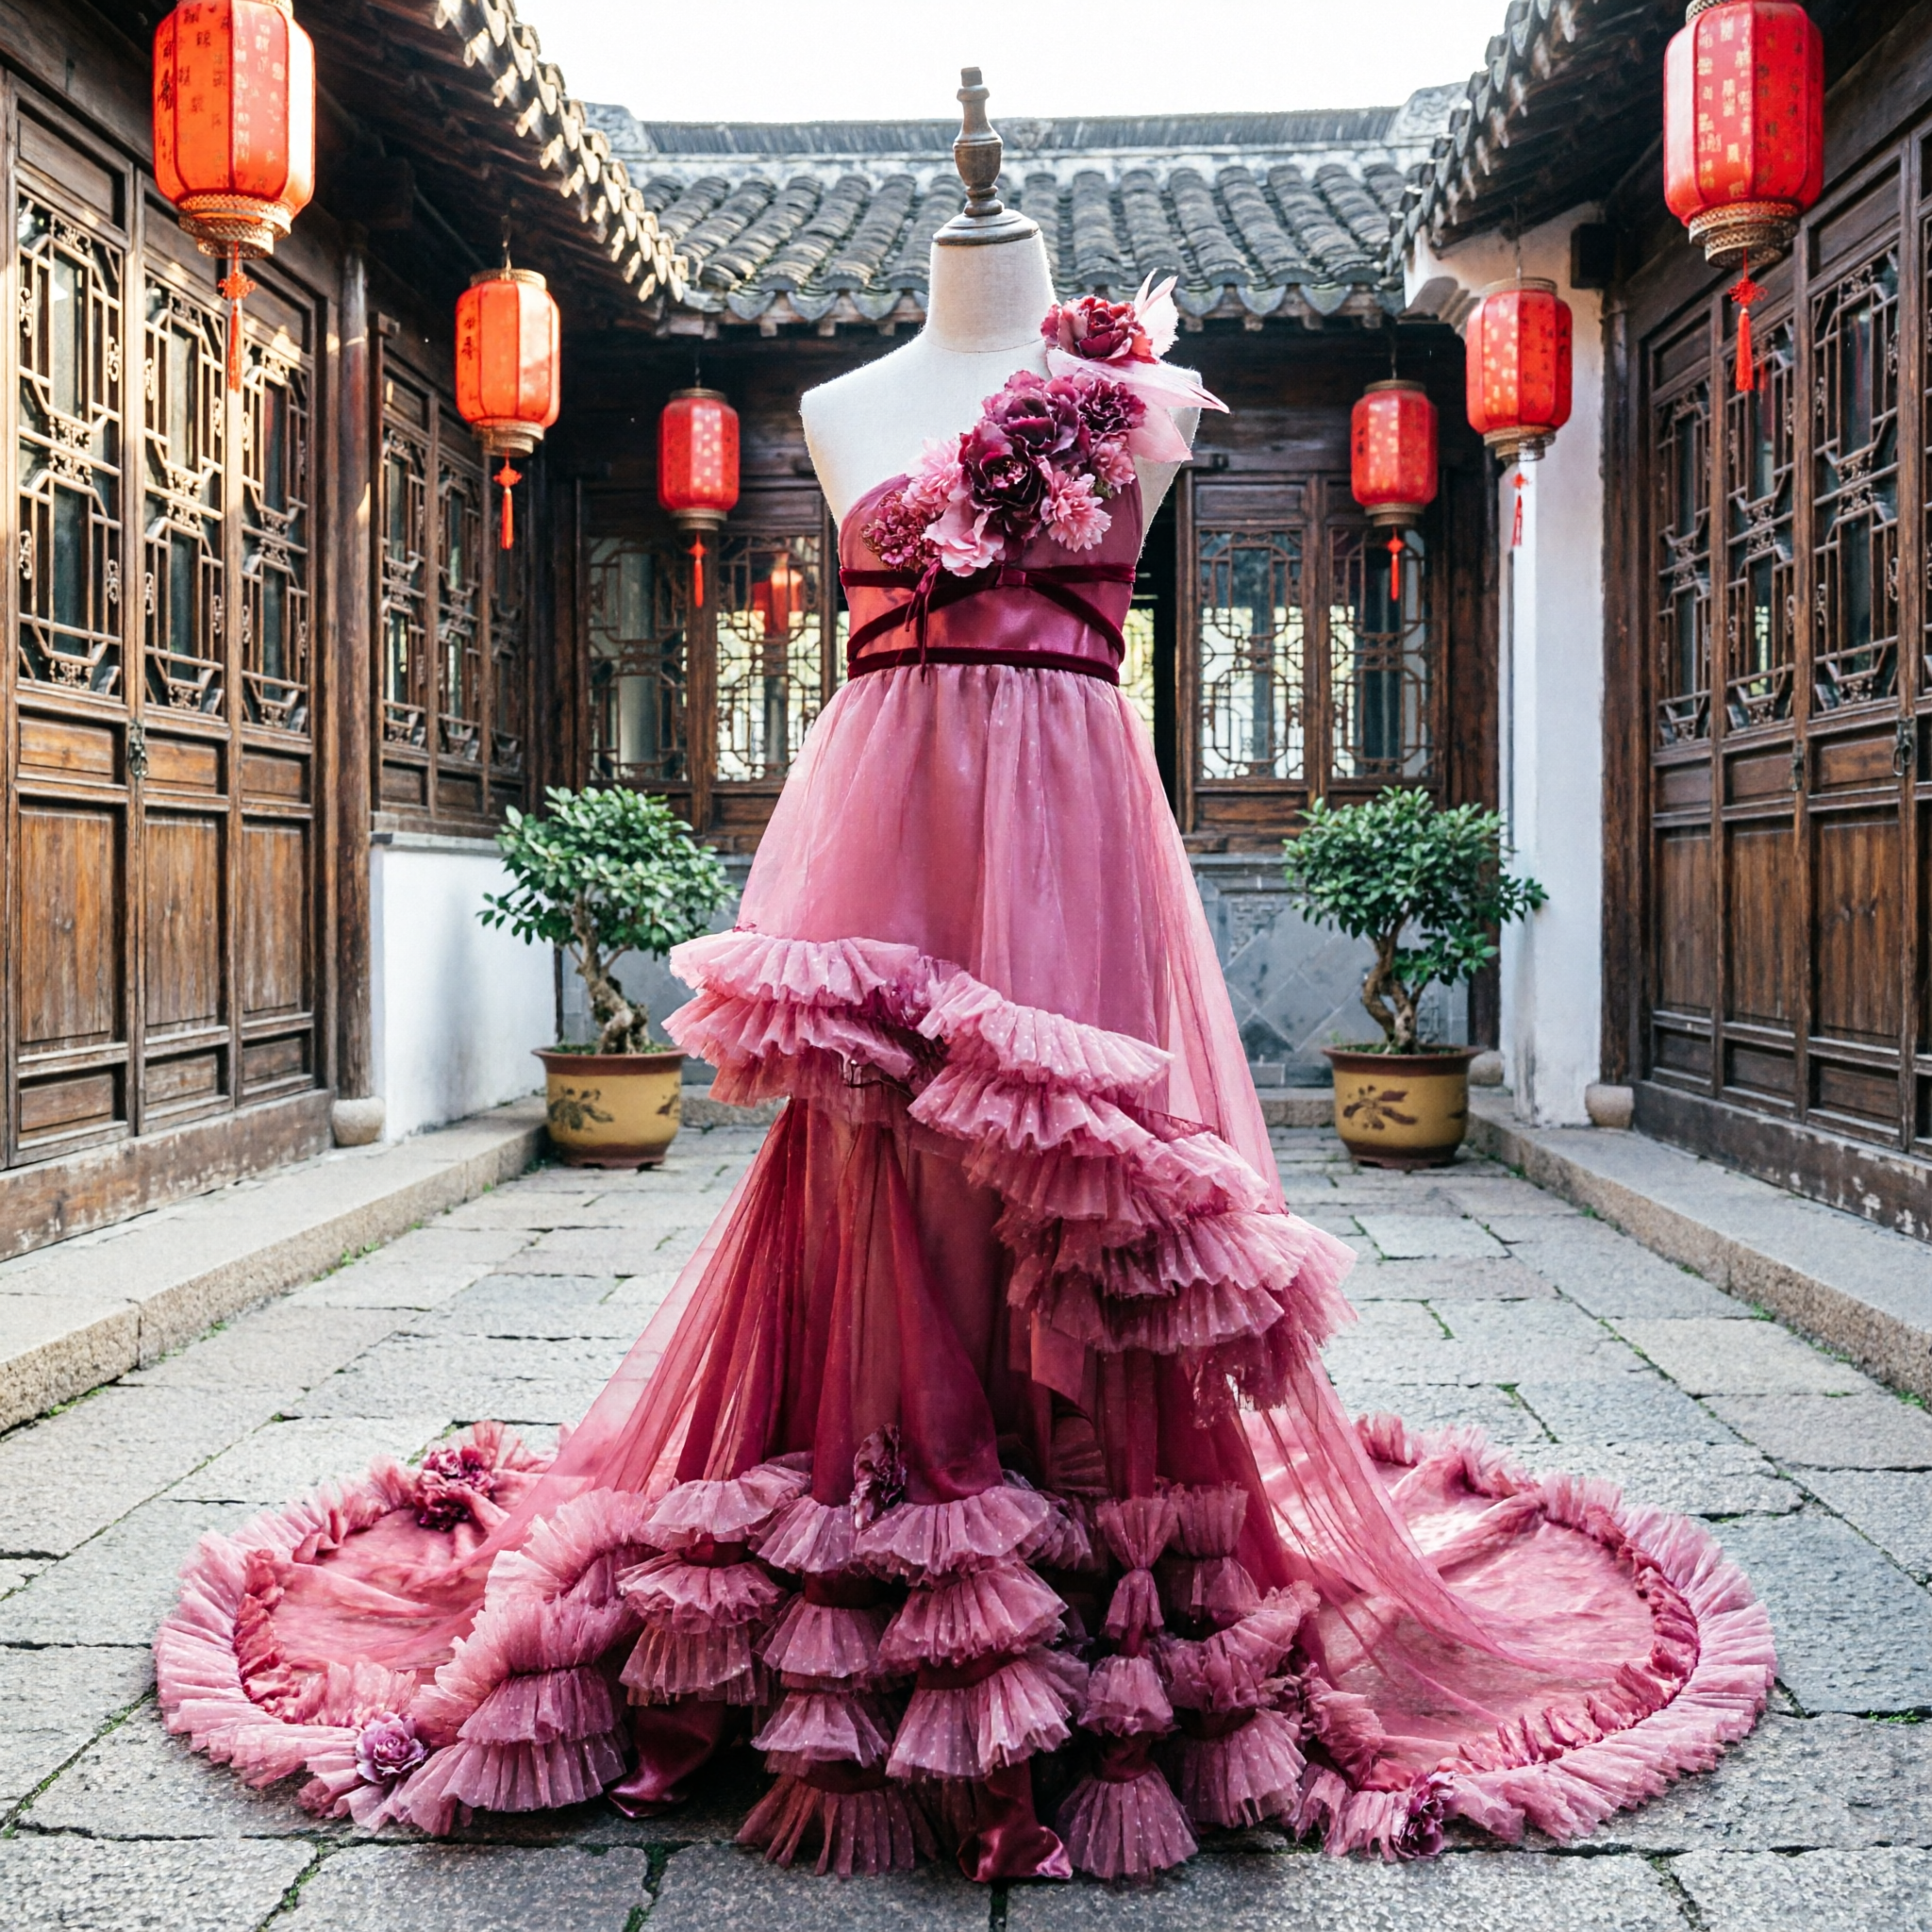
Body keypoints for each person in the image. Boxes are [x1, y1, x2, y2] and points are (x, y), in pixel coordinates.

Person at [158, 85, 1774, 1885]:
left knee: (1086, 1176)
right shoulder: (840, 407)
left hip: (1078, 825)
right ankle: (889, 1528)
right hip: (890, 816)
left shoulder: (1143, 403)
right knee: (881, 1168)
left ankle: (1095, 1563)